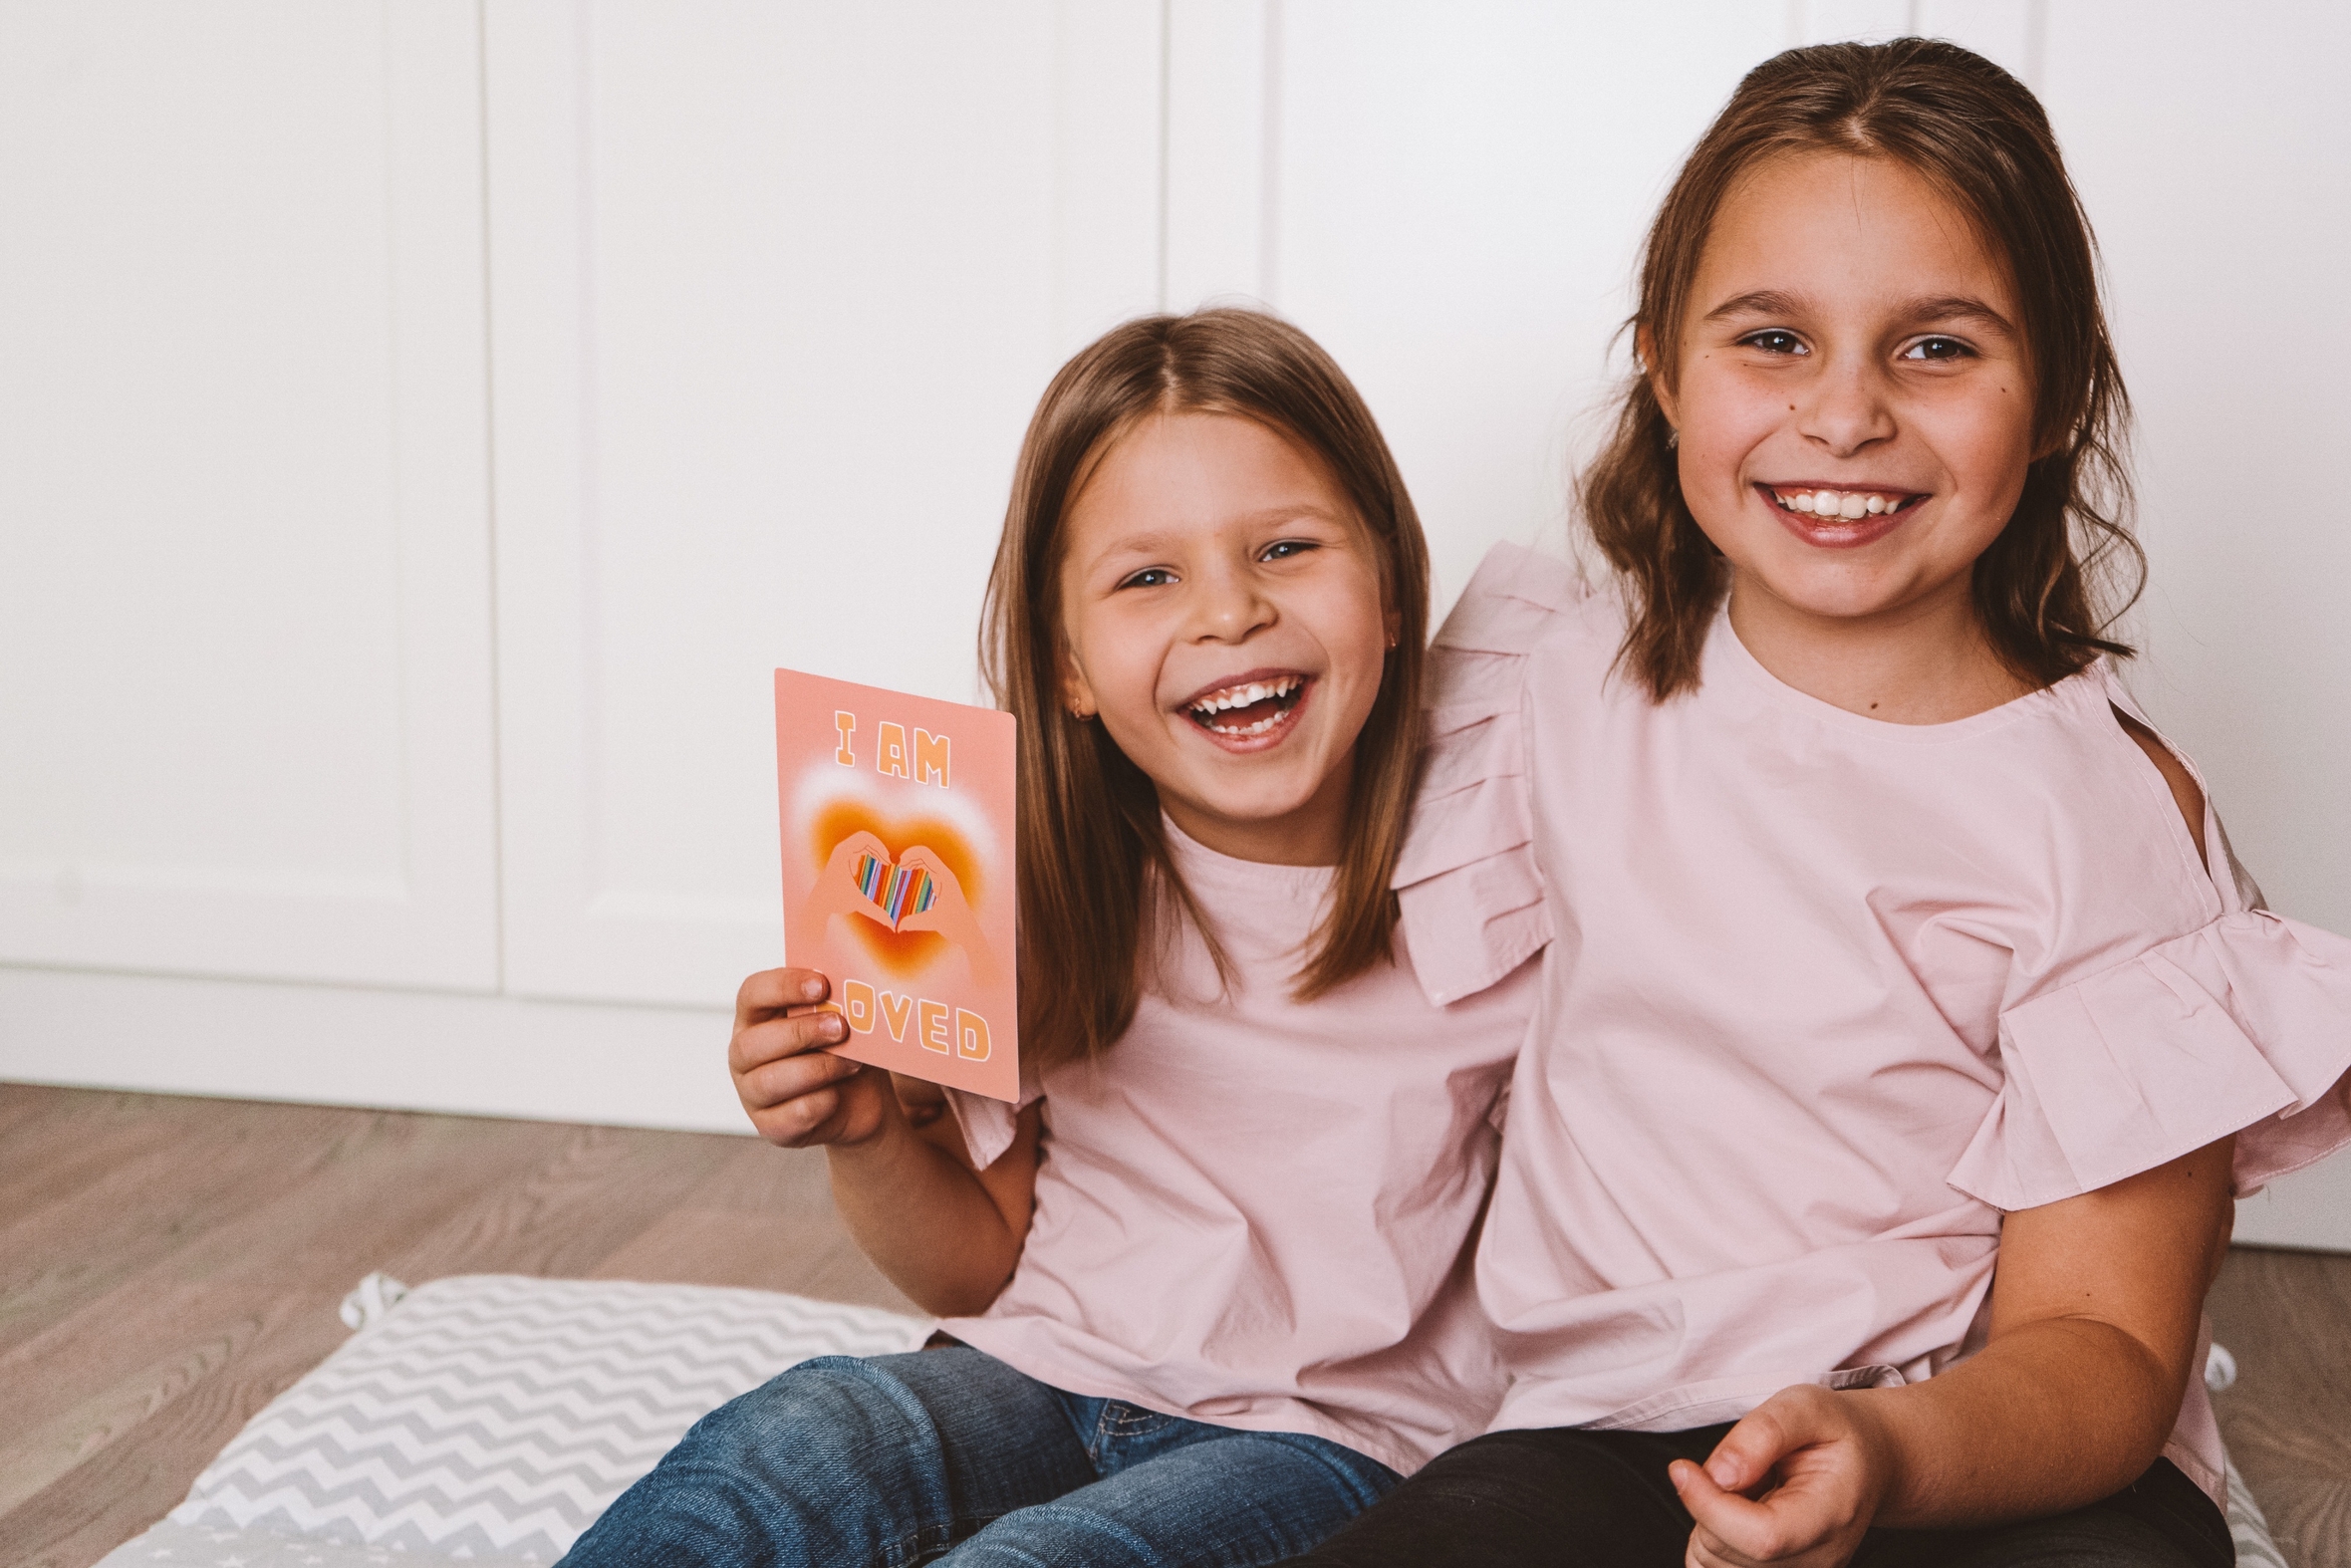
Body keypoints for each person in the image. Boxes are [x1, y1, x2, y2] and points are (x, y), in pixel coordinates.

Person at [1281, 37, 2351, 1568]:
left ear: (2056, 394)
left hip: (1988, 1451)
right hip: (1602, 1437)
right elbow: (1311, 1002)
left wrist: (1888, 1454)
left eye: (1937, 347)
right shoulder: (1552, 687)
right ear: (1664, 368)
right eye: (1774, 339)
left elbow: (2104, 1343)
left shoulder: (2103, 819)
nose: (1845, 416)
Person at [559, 309, 1538, 1567]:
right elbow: (972, 1267)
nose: (1228, 612)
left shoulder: (1497, 862)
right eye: (1147, 577)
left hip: (1329, 1439)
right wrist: (865, 1130)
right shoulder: (1033, 877)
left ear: (1392, 592)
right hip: (1040, 1365)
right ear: (1068, 664)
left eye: (1285, 548)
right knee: (785, 1439)